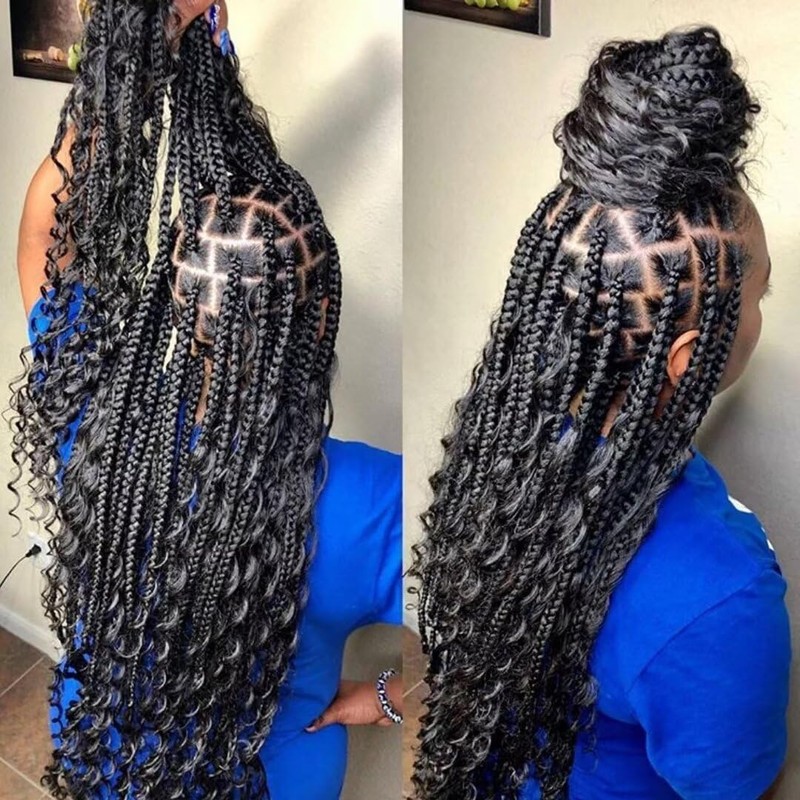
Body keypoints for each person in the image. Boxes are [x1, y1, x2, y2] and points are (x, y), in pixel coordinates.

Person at [12, 1, 402, 798]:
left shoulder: (92, 419)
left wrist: (135, 51)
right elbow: (503, 617)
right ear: (319, 317)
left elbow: (46, 232)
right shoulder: (365, 499)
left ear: (176, 301)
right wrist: (393, 696)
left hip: (110, 767)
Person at [408, 26, 790, 800]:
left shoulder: (498, 445)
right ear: (688, 357)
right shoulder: (721, 594)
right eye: (760, 295)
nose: (763, 312)